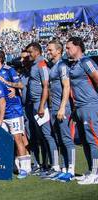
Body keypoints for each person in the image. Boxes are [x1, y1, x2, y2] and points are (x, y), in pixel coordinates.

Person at [66, 37, 98, 185]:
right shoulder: (74, 65)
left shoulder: (87, 62)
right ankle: (91, 169)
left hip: (90, 106)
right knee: (85, 141)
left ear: (78, 46)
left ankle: (96, 173)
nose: (67, 50)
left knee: (93, 140)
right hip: (79, 108)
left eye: (68, 48)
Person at [26, 42, 59, 174]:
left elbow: (46, 85)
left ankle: (55, 166)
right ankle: (46, 165)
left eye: (30, 52)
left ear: (37, 52)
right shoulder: (35, 65)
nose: (28, 55)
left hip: (41, 104)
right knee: (41, 136)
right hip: (35, 104)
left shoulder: (41, 64)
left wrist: (41, 106)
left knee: (47, 135)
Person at [45, 40, 75, 182]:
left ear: (59, 51)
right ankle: (63, 168)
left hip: (62, 108)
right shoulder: (53, 67)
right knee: (58, 139)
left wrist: (62, 107)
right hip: (53, 108)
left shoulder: (62, 65)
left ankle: (72, 170)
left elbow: (66, 86)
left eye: (50, 50)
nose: (48, 52)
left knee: (66, 139)